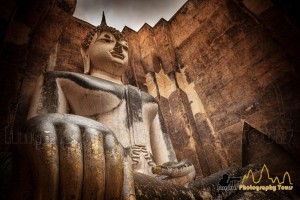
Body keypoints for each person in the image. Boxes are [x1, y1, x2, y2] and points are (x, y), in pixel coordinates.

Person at [17, 13, 196, 200]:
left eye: (125, 47)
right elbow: (39, 132)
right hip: (93, 179)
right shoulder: (61, 80)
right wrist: (82, 137)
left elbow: (167, 162)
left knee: (230, 177)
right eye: (106, 40)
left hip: (155, 185)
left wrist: (182, 171)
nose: (119, 47)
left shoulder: (148, 100)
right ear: (85, 52)